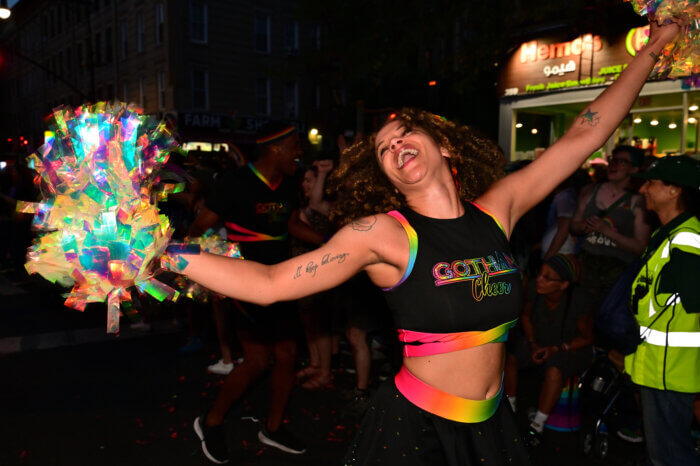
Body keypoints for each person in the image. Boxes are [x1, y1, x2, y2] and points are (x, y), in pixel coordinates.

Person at [163, 21, 680, 465]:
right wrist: (164, 252)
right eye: (385, 147)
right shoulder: (383, 234)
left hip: (493, 425)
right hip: (416, 432)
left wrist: (652, 50)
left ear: (445, 143)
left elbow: (584, 136)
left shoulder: (498, 209)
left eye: (405, 132)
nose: (395, 145)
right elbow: (272, 283)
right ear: (387, 176)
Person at [187, 122, 315, 463]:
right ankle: (211, 421)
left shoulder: (289, 184)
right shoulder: (233, 182)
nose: (299, 152)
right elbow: (200, 227)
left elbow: (290, 224)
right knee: (258, 359)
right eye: (294, 146)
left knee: (287, 353)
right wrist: (202, 271)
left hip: (282, 279)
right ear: (275, 148)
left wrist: (337, 245)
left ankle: (272, 429)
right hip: (244, 281)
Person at [624, 155, 700, 466]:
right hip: (658, 367)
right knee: (662, 455)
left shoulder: (687, 239)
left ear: (674, 190)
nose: (643, 189)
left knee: (671, 457)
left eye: (652, 182)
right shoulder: (666, 234)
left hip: (672, 371)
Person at [504, 254, 593, 446]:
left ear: (563, 285)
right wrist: (532, 343)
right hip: (540, 342)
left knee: (554, 370)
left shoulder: (578, 302)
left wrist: (556, 348)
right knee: (508, 355)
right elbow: (526, 316)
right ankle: (509, 411)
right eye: (540, 274)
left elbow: (587, 338)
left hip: (570, 348)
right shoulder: (534, 290)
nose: (540, 280)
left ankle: (537, 426)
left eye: (547, 277)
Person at [571, 145, 651, 309]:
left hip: (618, 271)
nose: (614, 164)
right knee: (582, 316)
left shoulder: (638, 200)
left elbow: (641, 246)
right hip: (586, 266)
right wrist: (583, 227)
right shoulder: (590, 191)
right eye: (613, 160)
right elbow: (573, 225)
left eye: (622, 162)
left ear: (634, 169)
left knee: (609, 320)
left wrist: (606, 231)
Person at [291, 160, 336, 389]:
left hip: (319, 273)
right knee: (308, 322)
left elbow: (317, 198)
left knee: (320, 325)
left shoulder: (321, 207)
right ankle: (316, 363)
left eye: (310, 180)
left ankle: (326, 373)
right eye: (305, 180)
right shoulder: (301, 207)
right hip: (302, 273)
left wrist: (322, 173)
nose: (305, 184)